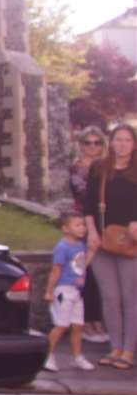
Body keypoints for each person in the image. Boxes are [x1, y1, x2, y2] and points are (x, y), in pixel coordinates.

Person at [78, 123, 137, 370]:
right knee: (110, 298)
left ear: (134, 144)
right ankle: (115, 347)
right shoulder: (100, 169)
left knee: (129, 298)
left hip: (131, 243)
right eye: (118, 139)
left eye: (127, 140)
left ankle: (128, 350)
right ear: (111, 142)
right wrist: (91, 233)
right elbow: (89, 205)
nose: (122, 144)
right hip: (102, 241)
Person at [69, 128, 110, 344]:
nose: (92, 147)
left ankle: (97, 320)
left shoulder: (105, 168)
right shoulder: (78, 169)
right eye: (88, 143)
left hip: (105, 225)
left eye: (97, 143)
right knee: (86, 275)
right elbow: (85, 196)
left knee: (100, 275)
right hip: (84, 227)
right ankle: (86, 322)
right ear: (81, 144)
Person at [43, 210, 95, 372]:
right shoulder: (62, 247)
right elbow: (56, 270)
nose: (82, 228)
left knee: (77, 326)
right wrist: (49, 290)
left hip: (76, 292)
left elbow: (81, 266)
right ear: (65, 228)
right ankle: (47, 356)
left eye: (83, 225)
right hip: (64, 291)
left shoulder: (80, 245)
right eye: (77, 225)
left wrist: (92, 252)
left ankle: (77, 356)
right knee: (61, 325)